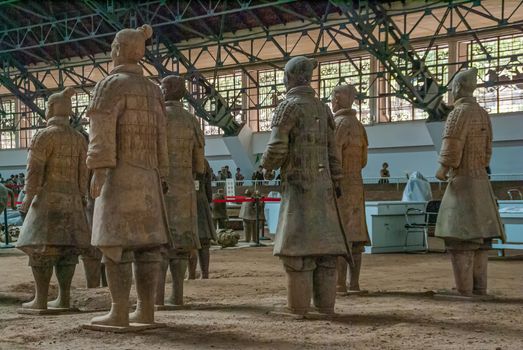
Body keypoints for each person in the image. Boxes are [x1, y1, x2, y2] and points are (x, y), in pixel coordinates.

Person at [86, 24, 170, 327]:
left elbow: (102, 132)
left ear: (119, 50)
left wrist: (98, 169)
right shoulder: (153, 90)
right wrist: (163, 171)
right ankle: (146, 311)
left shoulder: (110, 86)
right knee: (147, 246)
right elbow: (163, 136)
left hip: (119, 177)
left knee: (114, 244)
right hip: (149, 176)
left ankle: (119, 311)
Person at [261, 56, 347, 315]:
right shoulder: (323, 108)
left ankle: (297, 307)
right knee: (326, 252)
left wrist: (266, 166)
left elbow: (277, 145)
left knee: (297, 251)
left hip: (299, 187)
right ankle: (325, 306)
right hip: (324, 188)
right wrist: (337, 178)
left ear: (289, 78)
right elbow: (333, 151)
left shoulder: (287, 106)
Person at [16, 87, 90, 312]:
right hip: (72, 201)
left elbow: (34, 170)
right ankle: (64, 298)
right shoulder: (78, 138)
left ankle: (40, 300)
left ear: (50, 109)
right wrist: (82, 196)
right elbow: (83, 173)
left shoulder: (44, 136)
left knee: (42, 251)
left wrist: (28, 198)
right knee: (68, 251)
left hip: (47, 200)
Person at [435, 68, 504, 298]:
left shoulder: (458, 113)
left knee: (459, 237)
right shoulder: (482, 113)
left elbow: (452, 146)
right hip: (481, 182)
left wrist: (442, 169)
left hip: (462, 182)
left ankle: (464, 289)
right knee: (480, 239)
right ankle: (479, 288)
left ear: (458, 87)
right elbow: (488, 151)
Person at [156, 75, 205, 301]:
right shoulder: (191, 120)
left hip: (160, 187)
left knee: (158, 245)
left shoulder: (157, 118)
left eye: (163, 87)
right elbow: (199, 164)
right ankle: (177, 295)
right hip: (185, 187)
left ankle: (155, 297)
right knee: (181, 246)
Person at [331, 84, 371, 294]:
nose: (332, 102)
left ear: (338, 100)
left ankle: (339, 284)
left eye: (333, 98)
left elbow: (334, 156)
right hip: (357, 183)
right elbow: (364, 160)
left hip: (340, 185)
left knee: (340, 234)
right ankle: (354, 283)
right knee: (355, 235)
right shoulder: (358, 126)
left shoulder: (338, 124)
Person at [193, 159, 217, 279]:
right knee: (203, 239)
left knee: (189, 239)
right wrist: (209, 201)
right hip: (201, 200)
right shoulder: (203, 161)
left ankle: (193, 274)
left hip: (186, 200)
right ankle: (204, 273)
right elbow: (208, 185)